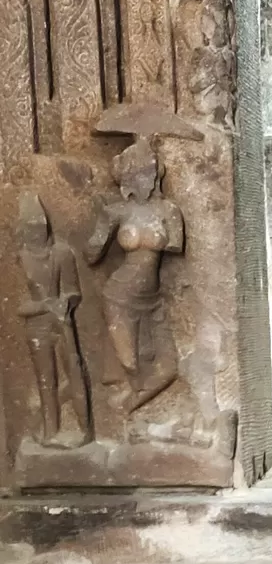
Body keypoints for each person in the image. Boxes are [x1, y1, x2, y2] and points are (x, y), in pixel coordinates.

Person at [85, 137, 184, 414]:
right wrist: (101, 219)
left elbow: (176, 245)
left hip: (153, 299)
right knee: (130, 363)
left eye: (148, 171)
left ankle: (130, 407)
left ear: (156, 174)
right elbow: (91, 255)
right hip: (118, 295)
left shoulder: (168, 211)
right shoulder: (117, 211)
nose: (144, 177)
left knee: (168, 368)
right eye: (137, 171)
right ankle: (134, 417)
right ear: (124, 176)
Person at [17, 192, 92, 448]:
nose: (37, 233)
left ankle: (84, 430)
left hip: (61, 322)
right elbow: (19, 306)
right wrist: (43, 305)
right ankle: (50, 432)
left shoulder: (62, 253)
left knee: (75, 371)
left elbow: (73, 290)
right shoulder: (22, 258)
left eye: (40, 228)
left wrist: (64, 303)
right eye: (31, 229)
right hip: (36, 327)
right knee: (46, 381)